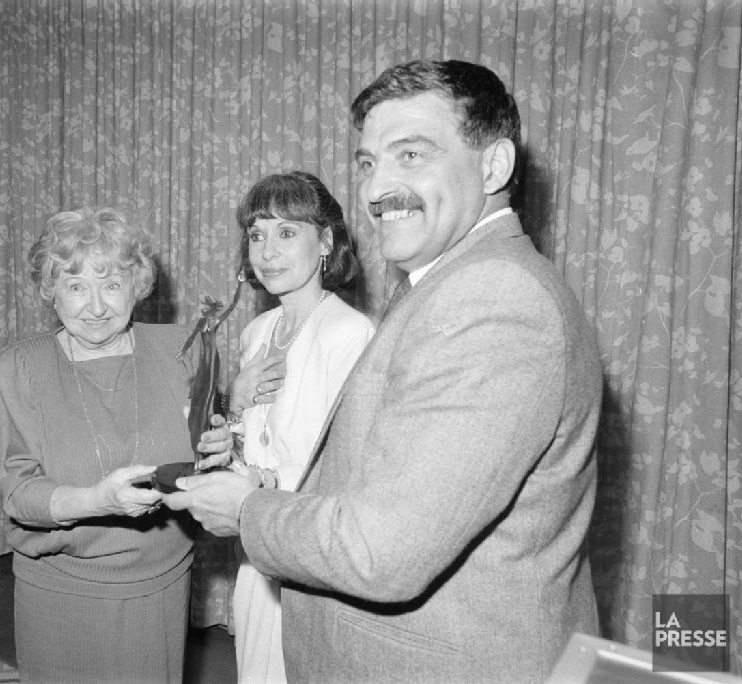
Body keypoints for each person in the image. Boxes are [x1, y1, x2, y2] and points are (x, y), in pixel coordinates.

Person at [165, 60, 602, 684]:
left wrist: (246, 512)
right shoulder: (440, 285)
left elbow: (382, 550)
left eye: (412, 155)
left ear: (494, 166)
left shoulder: (494, 298)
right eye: (369, 162)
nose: (376, 189)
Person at [0, 206, 230, 684]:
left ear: (136, 286)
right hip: (64, 591)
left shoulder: (182, 349)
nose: (96, 306)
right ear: (51, 290)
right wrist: (97, 500)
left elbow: (203, 453)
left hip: (161, 585)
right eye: (77, 286)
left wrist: (222, 448)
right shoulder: (20, 367)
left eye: (112, 284)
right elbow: (17, 491)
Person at [223, 171, 375, 683]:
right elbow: (249, 443)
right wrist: (230, 413)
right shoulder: (256, 332)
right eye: (257, 234)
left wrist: (264, 484)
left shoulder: (349, 334)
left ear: (326, 241)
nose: (267, 252)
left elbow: (349, 470)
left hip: (311, 555)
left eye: (287, 232)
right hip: (257, 550)